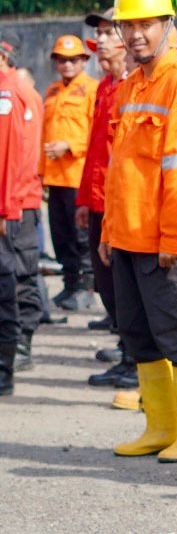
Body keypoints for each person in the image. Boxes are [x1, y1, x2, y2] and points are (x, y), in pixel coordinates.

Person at [101, 0, 177, 462]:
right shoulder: (129, 86)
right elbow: (121, 168)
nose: (135, 34)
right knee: (138, 334)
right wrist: (109, 230)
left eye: (145, 24)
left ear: (168, 25)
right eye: (128, 26)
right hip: (127, 235)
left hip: (163, 241)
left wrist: (175, 238)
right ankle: (161, 427)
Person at [77, 15, 130, 375]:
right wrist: (84, 199)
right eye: (98, 33)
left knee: (122, 281)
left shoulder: (131, 87)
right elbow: (95, 148)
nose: (101, 40)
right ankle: (126, 343)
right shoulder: (104, 87)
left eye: (108, 32)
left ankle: (132, 352)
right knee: (105, 280)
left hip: (119, 202)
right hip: (97, 198)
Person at [41, 34, 97, 311]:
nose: (67, 65)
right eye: (62, 60)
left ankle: (87, 288)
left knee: (81, 236)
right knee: (61, 236)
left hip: (78, 176)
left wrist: (70, 145)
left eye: (73, 59)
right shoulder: (51, 91)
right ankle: (70, 284)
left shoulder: (92, 90)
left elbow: (97, 135)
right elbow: (43, 134)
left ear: (84, 61)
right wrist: (40, 173)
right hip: (55, 177)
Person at [1, 40, 47, 369]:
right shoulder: (19, 90)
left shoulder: (11, 93)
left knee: (19, 272)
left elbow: (14, 157)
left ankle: (21, 344)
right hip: (16, 197)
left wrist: (8, 206)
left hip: (16, 199)